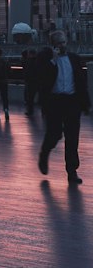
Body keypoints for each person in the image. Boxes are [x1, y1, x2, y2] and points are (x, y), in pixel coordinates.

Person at [36, 31, 90, 185]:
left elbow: (81, 82)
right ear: (53, 44)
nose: (62, 45)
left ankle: (72, 172)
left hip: (72, 102)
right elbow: (40, 77)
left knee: (72, 138)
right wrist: (52, 60)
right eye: (59, 43)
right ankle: (44, 154)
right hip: (54, 102)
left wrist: (85, 104)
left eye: (64, 42)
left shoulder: (74, 59)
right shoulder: (46, 60)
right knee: (55, 134)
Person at [21, 49, 39, 115]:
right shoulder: (38, 61)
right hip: (37, 80)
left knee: (30, 98)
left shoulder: (28, 62)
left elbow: (27, 71)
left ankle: (30, 111)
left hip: (30, 81)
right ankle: (44, 111)